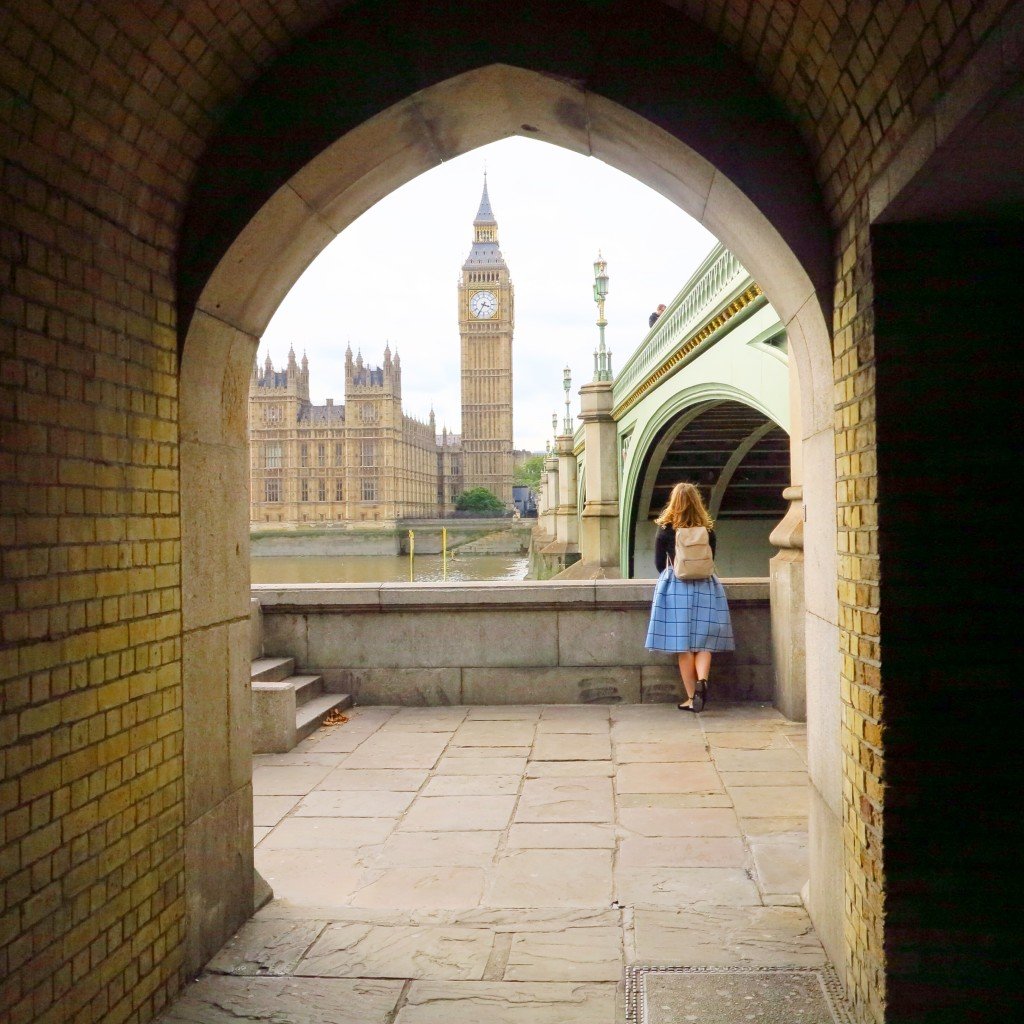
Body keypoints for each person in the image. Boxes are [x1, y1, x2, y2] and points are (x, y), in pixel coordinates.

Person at [644, 482, 735, 711]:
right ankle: (702, 679)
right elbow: (711, 558)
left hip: (676, 587)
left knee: (683, 646)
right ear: (697, 503)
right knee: (704, 642)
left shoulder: (665, 528)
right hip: (706, 586)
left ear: (674, 503)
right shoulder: (708, 530)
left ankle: (692, 697)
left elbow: (658, 563)